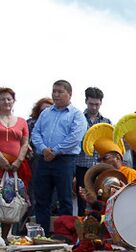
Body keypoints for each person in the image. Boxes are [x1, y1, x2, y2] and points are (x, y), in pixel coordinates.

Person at [30, 80, 87, 235]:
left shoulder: (77, 115)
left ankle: (64, 234)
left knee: (65, 199)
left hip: (64, 160)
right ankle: (42, 234)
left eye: (60, 91)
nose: (56, 94)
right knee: (41, 198)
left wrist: (54, 151)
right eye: (54, 91)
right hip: (43, 160)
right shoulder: (45, 113)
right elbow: (35, 133)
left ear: (70, 94)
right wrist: (43, 149)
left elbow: (75, 138)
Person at [74, 87, 111, 215]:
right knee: (82, 199)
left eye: (97, 104)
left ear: (101, 103)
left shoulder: (107, 122)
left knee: (100, 199)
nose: (94, 107)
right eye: (91, 104)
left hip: (100, 168)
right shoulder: (78, 120)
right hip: (82, 166)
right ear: (86, 101)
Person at [0, 87, 30, 240]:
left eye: (8, 99)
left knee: (10, 199)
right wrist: (1, 159)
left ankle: (4, 237)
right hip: (0, 164)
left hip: (16, 167)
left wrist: (18, 160)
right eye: (2, 99)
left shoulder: (22, 121)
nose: (6, 101)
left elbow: (25, 143)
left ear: (13, 101)